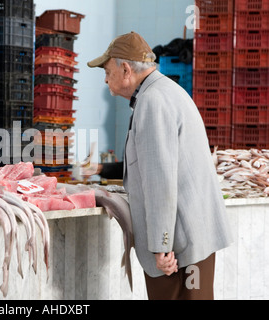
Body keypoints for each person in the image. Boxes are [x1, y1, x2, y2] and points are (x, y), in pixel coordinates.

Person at [87, 32, 233, 300]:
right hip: (189, 240)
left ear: (126, 69)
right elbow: (151, 163)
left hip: (179, 249)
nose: (106, 79)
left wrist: (161, 245)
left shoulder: (152, 102)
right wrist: (101, 169)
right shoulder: (163, 93)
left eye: (107, 71)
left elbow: (160, 181)